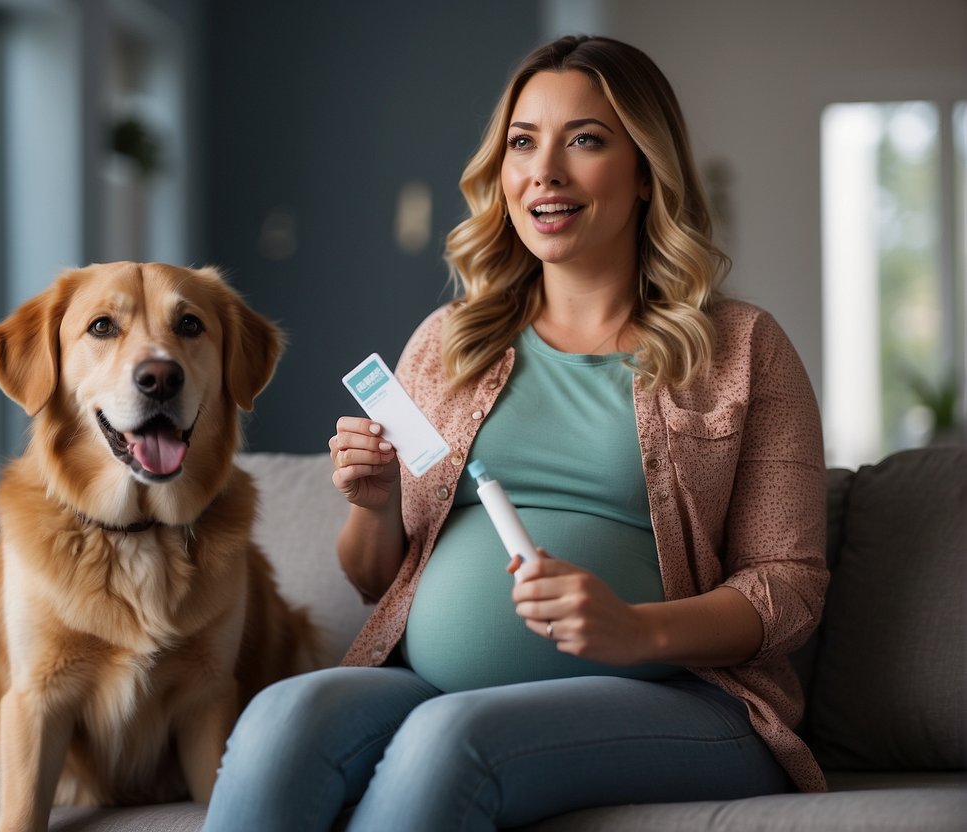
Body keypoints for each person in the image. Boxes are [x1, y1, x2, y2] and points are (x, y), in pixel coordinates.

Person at [202, 34, 828, 831]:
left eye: (586, 141)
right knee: (282, 718)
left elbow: (790, 586)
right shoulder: (449, 341)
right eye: (523, 143)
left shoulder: (743, 347)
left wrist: (634, 629)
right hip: (438, 685)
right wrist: (375, 502)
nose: (545, 172)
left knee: (451, 739)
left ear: (644, 172)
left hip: (681, 698)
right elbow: (374, 580)